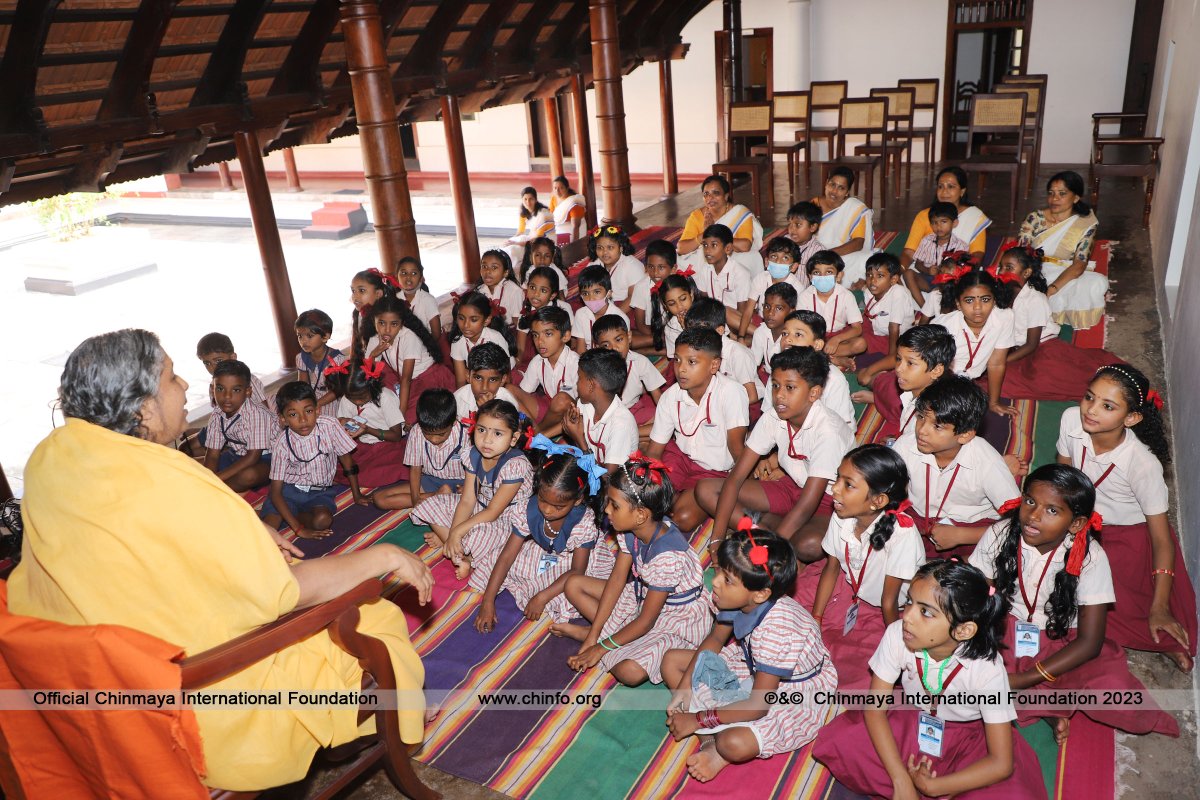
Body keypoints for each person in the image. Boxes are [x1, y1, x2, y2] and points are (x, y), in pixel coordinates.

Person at [9, 329, 433, 791]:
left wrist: (245, 527)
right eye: (171, 378)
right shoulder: (171, 483)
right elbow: (286, 593)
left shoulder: (50, 458)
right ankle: (388, 742)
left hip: (93, 687)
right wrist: (384, 555)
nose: (187, 386)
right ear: (142, 408)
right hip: (202, 701)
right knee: (377, 615)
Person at [969, 465, 1178, 738]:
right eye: (1030, 501)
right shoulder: (1000, 533)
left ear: (1076, 523)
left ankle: (1041, 704)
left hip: (1065, 639)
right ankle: (1048, 709)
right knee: (967, 672)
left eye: (1052, 511)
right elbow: (976, 597)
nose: (1033, 516)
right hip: (1006, 629)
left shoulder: (1091, 558)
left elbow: (1090, 643)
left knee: (1113, 691)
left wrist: (1023, 680)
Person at [813, 559, 1048, 800]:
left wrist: (935, 787)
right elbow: (875, 711)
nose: (907, 617)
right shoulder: (897, 635)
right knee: (842, 740)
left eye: (926, 612)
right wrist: (901, 780)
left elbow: (1000, 763)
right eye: (909, 602)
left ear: (963, 631)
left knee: (1011, 792)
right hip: (912, 718)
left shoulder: (987, 669)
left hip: (970, 738)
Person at [662, 524, 836, 783]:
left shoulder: (776, 631)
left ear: (760, 594)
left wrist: (697, 719)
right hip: (754, 665)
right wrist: (685, 689)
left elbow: (759, 704)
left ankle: (717, 744)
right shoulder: (734, 597)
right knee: (672, 663)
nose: (715, 581)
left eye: (727, 579)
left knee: (733, 743)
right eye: (719, 570)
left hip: (793, 689)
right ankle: (711, 741)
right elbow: (716, 638)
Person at [1056, 365, 1196, 672]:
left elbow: (1161, 540)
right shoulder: (1071, 419)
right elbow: (1062, 476)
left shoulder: (1142, 464)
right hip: (1078, 519)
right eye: (1089, 397)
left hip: (1127, 536)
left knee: (1109, 603)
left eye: (1108, 406)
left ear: (1131, 418)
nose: (1090, 410)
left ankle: (1160, 640)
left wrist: (1159, 608)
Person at [555, 455, 710, 688]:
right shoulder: (628, 529)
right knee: (573, 585)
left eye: (614, 505)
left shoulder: (667, 557)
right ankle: (596, 633)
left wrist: (599, 648)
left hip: (676, 619)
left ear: (640, 515)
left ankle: (607, 640)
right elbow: (617, 580)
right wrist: (593, 635)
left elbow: (647, 621)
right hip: (641, 596)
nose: (606, 509)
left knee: (629, 672)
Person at [701, 347, 852, 562]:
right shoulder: (774, 417)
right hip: (791, 487)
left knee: (808, 545)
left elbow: (809, 503)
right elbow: (735, 478)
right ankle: (769, 527)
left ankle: (767, 531)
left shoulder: (829, 431)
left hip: (826, 501)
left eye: (790, 388)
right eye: (775, 385)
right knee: (706, 489)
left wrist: (766, 554)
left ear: (813, 393)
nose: (779, 394)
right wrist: (716, 540)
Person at [807, 445, 924, 688]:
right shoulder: (841, 514)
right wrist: (816, 617)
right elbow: (831, 567)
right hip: (845, 586)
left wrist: (896, 650)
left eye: (848, 484)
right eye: (838, 477)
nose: (835, 488)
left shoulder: (902, 533)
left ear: (878, 501)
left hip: (883, 610)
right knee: (789, 614)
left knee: (859, 672)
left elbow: (888, 601)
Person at [475, 444, 613, 633]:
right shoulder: (527, 509)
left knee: (567, 597)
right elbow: (507, 556)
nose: (547, 510)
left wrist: (542, 597)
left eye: (558, 507)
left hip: (573, 566)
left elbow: (577, 570)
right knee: (493, 559)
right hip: (542, 550)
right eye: (542, 500)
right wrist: (488, 601)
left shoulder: (582, 523)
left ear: (578, 500)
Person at [892, 376, 1021, 558]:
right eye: (921, 417)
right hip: (919, 521)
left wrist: (961, 535)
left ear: (965, 435)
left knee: (998, 554)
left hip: (970, 527)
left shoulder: (987, 463)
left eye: (937, 426)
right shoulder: (905, 446)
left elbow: (1019, 522)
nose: (921, 430)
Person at [411, 399, 534, 588]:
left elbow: (494, 512)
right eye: (482, 430)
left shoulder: (516, 465)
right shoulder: (473, 454)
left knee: (478, 534)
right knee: (431, 504)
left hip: (506, 519)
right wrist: (454, 533)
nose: (487, 439)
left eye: (498, 433)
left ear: (514, 438)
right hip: (480, 507)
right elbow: (467, 500)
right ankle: (457, 548)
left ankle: (462, 553)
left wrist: (457, 532)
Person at [645, 328, 750, 532]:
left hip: (713, 473)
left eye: (691, 362)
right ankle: (674, 496)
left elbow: (737, 449)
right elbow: (655, 450)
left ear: (714, 365)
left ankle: (680, 498)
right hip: (679, 459)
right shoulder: (670, 396)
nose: (681, 369)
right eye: (677, 360)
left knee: (682, 518)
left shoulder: (731, 392)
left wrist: (742, 489)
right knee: (646, 498)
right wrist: (647, 482)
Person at [998, 244, 1120, 401]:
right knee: (996, 376)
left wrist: (1002, 360)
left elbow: (1031, 344)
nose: (1001, 272)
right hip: (1019, 349)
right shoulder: (1004, 293)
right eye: (1001, 267)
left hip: (1043, 350)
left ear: (1027, 272)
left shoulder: (1035, 299)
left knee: (1048, 381)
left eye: (1009, 267)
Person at [261, 381, 365, 538]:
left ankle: (288, 515)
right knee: (269, 530)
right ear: (283, 419)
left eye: (308, 411)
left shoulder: (330, 426)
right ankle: (284, 515)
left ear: (317, 410)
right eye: (293, 414)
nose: (303, 420)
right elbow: (275, 492)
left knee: (323, 521)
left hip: (319, 492)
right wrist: (298, 530)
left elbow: (347, 460)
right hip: (288, 491)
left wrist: (357, 495)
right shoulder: (281, 444)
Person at [1018, 171, 1108, 330]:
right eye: (1051, 193)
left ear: (1076, 197)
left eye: (1062, 193)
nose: (1054, 198)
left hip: (1064, 271)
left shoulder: (1085, 223)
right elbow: (1020, 252)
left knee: (1097, 282)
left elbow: (1079, 265)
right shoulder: (1035, 218)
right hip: (1034, 268)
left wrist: (1052, 288)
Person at [931, 268, 1017, 420]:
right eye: (969, 300)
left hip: (969, 382)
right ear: (958, 303)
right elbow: (931, 368)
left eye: (985, 299)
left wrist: (994, 402)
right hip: (938, 379)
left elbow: (996, 363)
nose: (978, 308)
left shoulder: (1005, 317)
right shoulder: (944, 326)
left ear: (994, 299)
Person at [363, 294, 453, 425]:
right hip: (402, 378)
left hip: (427, 379)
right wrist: (373, 354)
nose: (387, 329)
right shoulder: (374, 338)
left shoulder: (409, 338)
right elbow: (367, 370)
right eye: (381, 323)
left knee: (411, 419)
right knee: (379, 411)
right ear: (374, 320)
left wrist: (401, 413)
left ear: (401, 324)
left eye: (394, 324)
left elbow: (406, 380)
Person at [900, 166, 991, 295]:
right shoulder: (924, 215)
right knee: (899, 281)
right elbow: (909, 252)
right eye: (940, 186)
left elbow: (976, 256)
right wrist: (898, 271)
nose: (944, 192)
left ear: (962, 191)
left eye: (951, 186)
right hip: (926, 274)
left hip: (958, 274)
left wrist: (952, 272)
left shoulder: (975, 217)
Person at [372, 388, 466, 511]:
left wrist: (470, 489)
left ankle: (446, 497)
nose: (434, 440)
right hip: (431, 481)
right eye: (427, 433)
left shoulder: (466, 435)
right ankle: (440, 496)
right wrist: (416, 499)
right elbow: (415, 468)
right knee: (379, 498)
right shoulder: (416, 431)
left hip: (462, 483)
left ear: (453, 422)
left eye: (441, 434)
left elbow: (477, 469)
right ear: (420, 424)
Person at [859, 324, 955, 442]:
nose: (898, 369)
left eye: (910, 363)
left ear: (936, 370)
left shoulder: (931, 420)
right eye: (899, 359)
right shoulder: (914, 391)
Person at [326, 359, 407, 490]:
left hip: (387, 445)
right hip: (360, 445)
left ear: (372, 386)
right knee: (333, 463)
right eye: (352, 397)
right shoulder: (347, 399)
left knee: (394, 467)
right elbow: (343, 425)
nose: (357, 401)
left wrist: (368, 430)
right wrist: (343, 423)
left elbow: (396, 436)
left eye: (362, 396)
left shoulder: (385, 398)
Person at [202, 359, 277, 492]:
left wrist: (216, 479)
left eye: (236, 390)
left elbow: (253, 457)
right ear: (213, 389)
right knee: (191, 466)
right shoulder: (217, 414)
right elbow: (212, 455)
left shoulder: (257, 414)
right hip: (237, 455)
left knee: (248, 476)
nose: (227, 396)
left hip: (268, 458)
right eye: (220, 389)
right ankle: (212, 488)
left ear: (248, 392)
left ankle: (216, 492)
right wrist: (208, 476)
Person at [775, 310, 855, 434]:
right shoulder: (779, 372)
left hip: (828, 437)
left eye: (798, 334)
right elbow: (771, 415)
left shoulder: (833, 379)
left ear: (817, 345)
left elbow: (838, 427)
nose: (788, 339)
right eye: (785, 333)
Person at [563, 347, 640, 473]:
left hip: (616, 486)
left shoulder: (621, 423)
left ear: (591, 385)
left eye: (579, 378)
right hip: (591, 470)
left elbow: (609, 480)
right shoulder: (585, 404)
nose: (576, 383)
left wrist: (579, 439)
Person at [849, 252, 919, 388]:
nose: (873, 281)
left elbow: (894, 328)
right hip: (877, 333)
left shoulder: (898, 293)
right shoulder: (870, 290)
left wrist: (891, 358)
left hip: (896, 338)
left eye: (880, 276)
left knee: (865, 372)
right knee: (850, 331)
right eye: (869, 275)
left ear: (893, 280)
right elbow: (869, 315)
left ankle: (877, 370)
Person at [677, 174, 764, 275]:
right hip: (704, 256)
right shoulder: (697, 216)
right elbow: (681, 248)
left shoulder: (739, 212)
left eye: (716, 193)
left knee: (753, 258)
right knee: (672, 260)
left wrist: (715, 233)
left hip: (733, 255)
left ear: (726, 196)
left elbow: (745, 246)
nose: (710, 197)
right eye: (706, 194)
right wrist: (705, 234)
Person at [685, 297, 762, 407]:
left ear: (720, 330)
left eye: (701, 333)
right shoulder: (702, 350)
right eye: (692, 333)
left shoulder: (738, 354)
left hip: (747, 405)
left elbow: (752, 396)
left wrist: (718, 407)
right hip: (721, 399)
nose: (695, 338)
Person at [592, 314, 665, 430]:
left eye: (619, 340)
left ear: (629, 337)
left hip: (633, 411)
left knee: (662, 417)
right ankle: (635, 435)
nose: (613, 348)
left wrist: (667, 417)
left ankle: (634, 434)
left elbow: (657, 395)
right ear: (596, 347)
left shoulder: (640, 362)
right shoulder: (595, 368)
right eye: (605, 345)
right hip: (605, 415)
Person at [797, 250, 863, 370]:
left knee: (860, 344)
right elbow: (801, 327)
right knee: (801, 344)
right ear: (810, 277)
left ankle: (823, 357)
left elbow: (857, 328)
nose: (823, 277)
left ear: (838, 276)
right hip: (813, 338)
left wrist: (836, 339)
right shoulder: (804, 296)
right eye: (817, 273)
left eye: (829, 272)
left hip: (839, 338)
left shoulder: (846, 295)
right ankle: (835, 360)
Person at [518, 305, 579, 436]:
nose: (540, 341)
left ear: (566, 336)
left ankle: (535, 434)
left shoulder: (576, 363)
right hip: (549, 410)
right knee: (510, 390)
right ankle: (537, 431)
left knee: (561, 400)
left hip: (571, 415)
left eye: (548, 334)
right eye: (535, 335)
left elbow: (582, 409)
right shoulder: (537, 361)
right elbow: (524, 393)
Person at [810, 167, 875, 287]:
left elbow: (858, 243)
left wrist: (828, 254)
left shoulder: (854, 207)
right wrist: (817, 253)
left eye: (841, 188)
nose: (834, 191)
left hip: (840, 253)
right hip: (814, 251)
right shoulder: (814, 204)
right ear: (826, 184)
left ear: (847, 192)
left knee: (867, 259)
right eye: (832, 185)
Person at [690, 224, 754, 339]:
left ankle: (755, 335)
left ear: (728, 248)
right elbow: (704, 302)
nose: (707, 250)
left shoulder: (740, 273)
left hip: (737, 322)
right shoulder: (705, 270)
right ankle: (732, 339)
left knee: (723, 311)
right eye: (705, 245)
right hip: (713, 322)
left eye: (714, 245)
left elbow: (743, 312)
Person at [451, 341, 535, 422]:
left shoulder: (506, 400)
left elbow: (523, 428)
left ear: (502, 380)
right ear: (468, 376)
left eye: (492, 380)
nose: (484, 387)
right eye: (478, 378)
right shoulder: (458, 399)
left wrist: (489, 409)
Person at [449, 291, 516, 386]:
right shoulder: (457, 342)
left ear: (487, 320)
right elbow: (460, 381)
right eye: (461, 318)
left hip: (500, 378)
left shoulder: (495, 338)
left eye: (473, 320)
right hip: (477, 379)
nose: (466, 325)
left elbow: (507, 378)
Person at [747, 239, 807, 340]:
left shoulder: (798, 288)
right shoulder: (761, 277)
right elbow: (749, 309)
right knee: (728, 312)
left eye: (785, 258)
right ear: (766, 261)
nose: (778, 262)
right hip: (761, 321)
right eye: (774, 256)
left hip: (782, 327)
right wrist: (740, 336)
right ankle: (760, 336)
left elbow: (796, 320)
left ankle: (762, 338)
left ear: (794, 267)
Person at [196, 332, 270, 411]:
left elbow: (264, 408)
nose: (212, 367)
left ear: (233, 357)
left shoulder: (247, 380)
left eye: (218, 360)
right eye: (207, 363)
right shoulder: (213, 385)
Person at [293, 309, 346, 418]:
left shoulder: (338, 360)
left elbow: (338, 390)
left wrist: (317, 404)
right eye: (300, 336)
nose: (303, 341)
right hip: (312, 400)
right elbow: (303, 385)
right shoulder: (301, 358)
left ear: (325, 337)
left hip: (332, 401)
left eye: (309, 336)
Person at [516, 265, 572, 367]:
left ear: (552, 295)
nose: (536, 294)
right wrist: (518, 363)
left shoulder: (564, 307)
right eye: (532, 287)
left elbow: (572, 341)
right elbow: (520, 347)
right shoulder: (526, 311)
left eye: (543, 290)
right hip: (533, 355)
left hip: (559, 355)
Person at [629, 239, 676, 351]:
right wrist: (660, 337)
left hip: (676, 329)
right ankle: (666, 347)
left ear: (673, 269)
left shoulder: (679, 286)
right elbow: (640, 324)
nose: (655, 273)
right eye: (651, 267)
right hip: (651, 331)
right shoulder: (641, 287)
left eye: (661, 267)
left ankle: (659, 349)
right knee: (628, 340)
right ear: (646, 267)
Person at [587, 224, 645, 313]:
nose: (605, 252)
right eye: (600, 248)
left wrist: (613, 316)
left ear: (621, 247)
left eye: (610, 247)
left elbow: (633, 297)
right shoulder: (593, 266)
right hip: (601, 304)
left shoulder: (632, 266)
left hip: (627, 307)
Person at [572, 265, 630, 352]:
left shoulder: (620, 317)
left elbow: (622, 349)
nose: (591, 298)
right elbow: (581, 349)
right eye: (585, 294)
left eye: (597, 292)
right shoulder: (581, 314)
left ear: (609, 293)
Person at [749, 283, 797, 378]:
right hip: (768, 378)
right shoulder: (761, 332)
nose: (770, 313)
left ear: (791, 312)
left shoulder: (795, 338)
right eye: (767, 307)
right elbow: (753, 365)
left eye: (779, 308)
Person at [652, 271, 700, 362]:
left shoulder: (707, 312)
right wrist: (686, 330)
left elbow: (712, 347)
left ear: (691, 295)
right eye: (672, 303)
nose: (679, 306)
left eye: (683, 299)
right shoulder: (671, 328)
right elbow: (677, 359)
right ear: (665, 306)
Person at [472, 249, 526, 328]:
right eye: (484, 266)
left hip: (507, 331)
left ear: (505, 273)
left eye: (494, 267)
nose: (488, 271)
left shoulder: (515, 291)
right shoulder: (479, 290)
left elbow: (517, 321)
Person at [395, 257, 443, 342]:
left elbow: (436, 333)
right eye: (404, 273)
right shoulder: (394, 300)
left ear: (421, 278)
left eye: (414, 273)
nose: (408, 277)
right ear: (397, 277)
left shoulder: (428, 300)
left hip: (425, 346)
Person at [504, 186, 554, 264]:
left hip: (545, 243)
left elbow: (537, 240)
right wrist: (511, 240)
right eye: (525, 199)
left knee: (512, 250)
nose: (528, 202)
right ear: (522, 200)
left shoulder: (543, 215)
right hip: (532, 239)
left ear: (536, 200)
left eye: (531, 199)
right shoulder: (524, 212)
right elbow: (520, 231)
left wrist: (517, 243)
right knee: (509, 245)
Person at [781, 200, 825, 274]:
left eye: (798, 225)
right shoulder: (784, 242)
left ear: (812, 227)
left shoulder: (818, 251)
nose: (792, 228)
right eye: (789, 224)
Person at [549, 176, 587, 245]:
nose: (557, 191)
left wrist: (573, 246)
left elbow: (575, 227)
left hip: (573, 231)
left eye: (561, 188)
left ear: (567, 188)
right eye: (555, 188)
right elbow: (550, 215)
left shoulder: (573, 203)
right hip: (558, 229)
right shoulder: (554, 198)